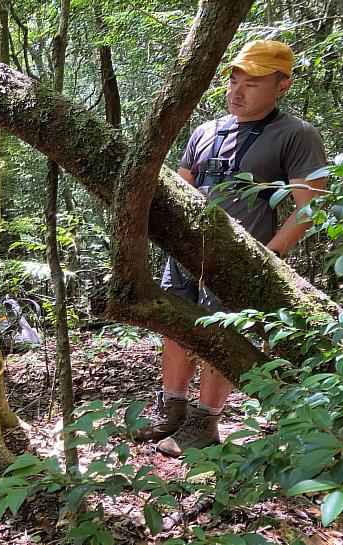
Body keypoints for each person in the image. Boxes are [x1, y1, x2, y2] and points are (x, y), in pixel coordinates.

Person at [134, 40, 326, 457]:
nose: (237, 91)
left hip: (241, 261)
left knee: (221, 334)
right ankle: (173, 411)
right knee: (175, 327)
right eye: (234, 80)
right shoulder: (206, 131)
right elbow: (178, 189)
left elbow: (310, 208)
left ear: (282, 86)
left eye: (252, 83)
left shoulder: (296, 135)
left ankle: (204, 423)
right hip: (183, 256)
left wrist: (267, 258)